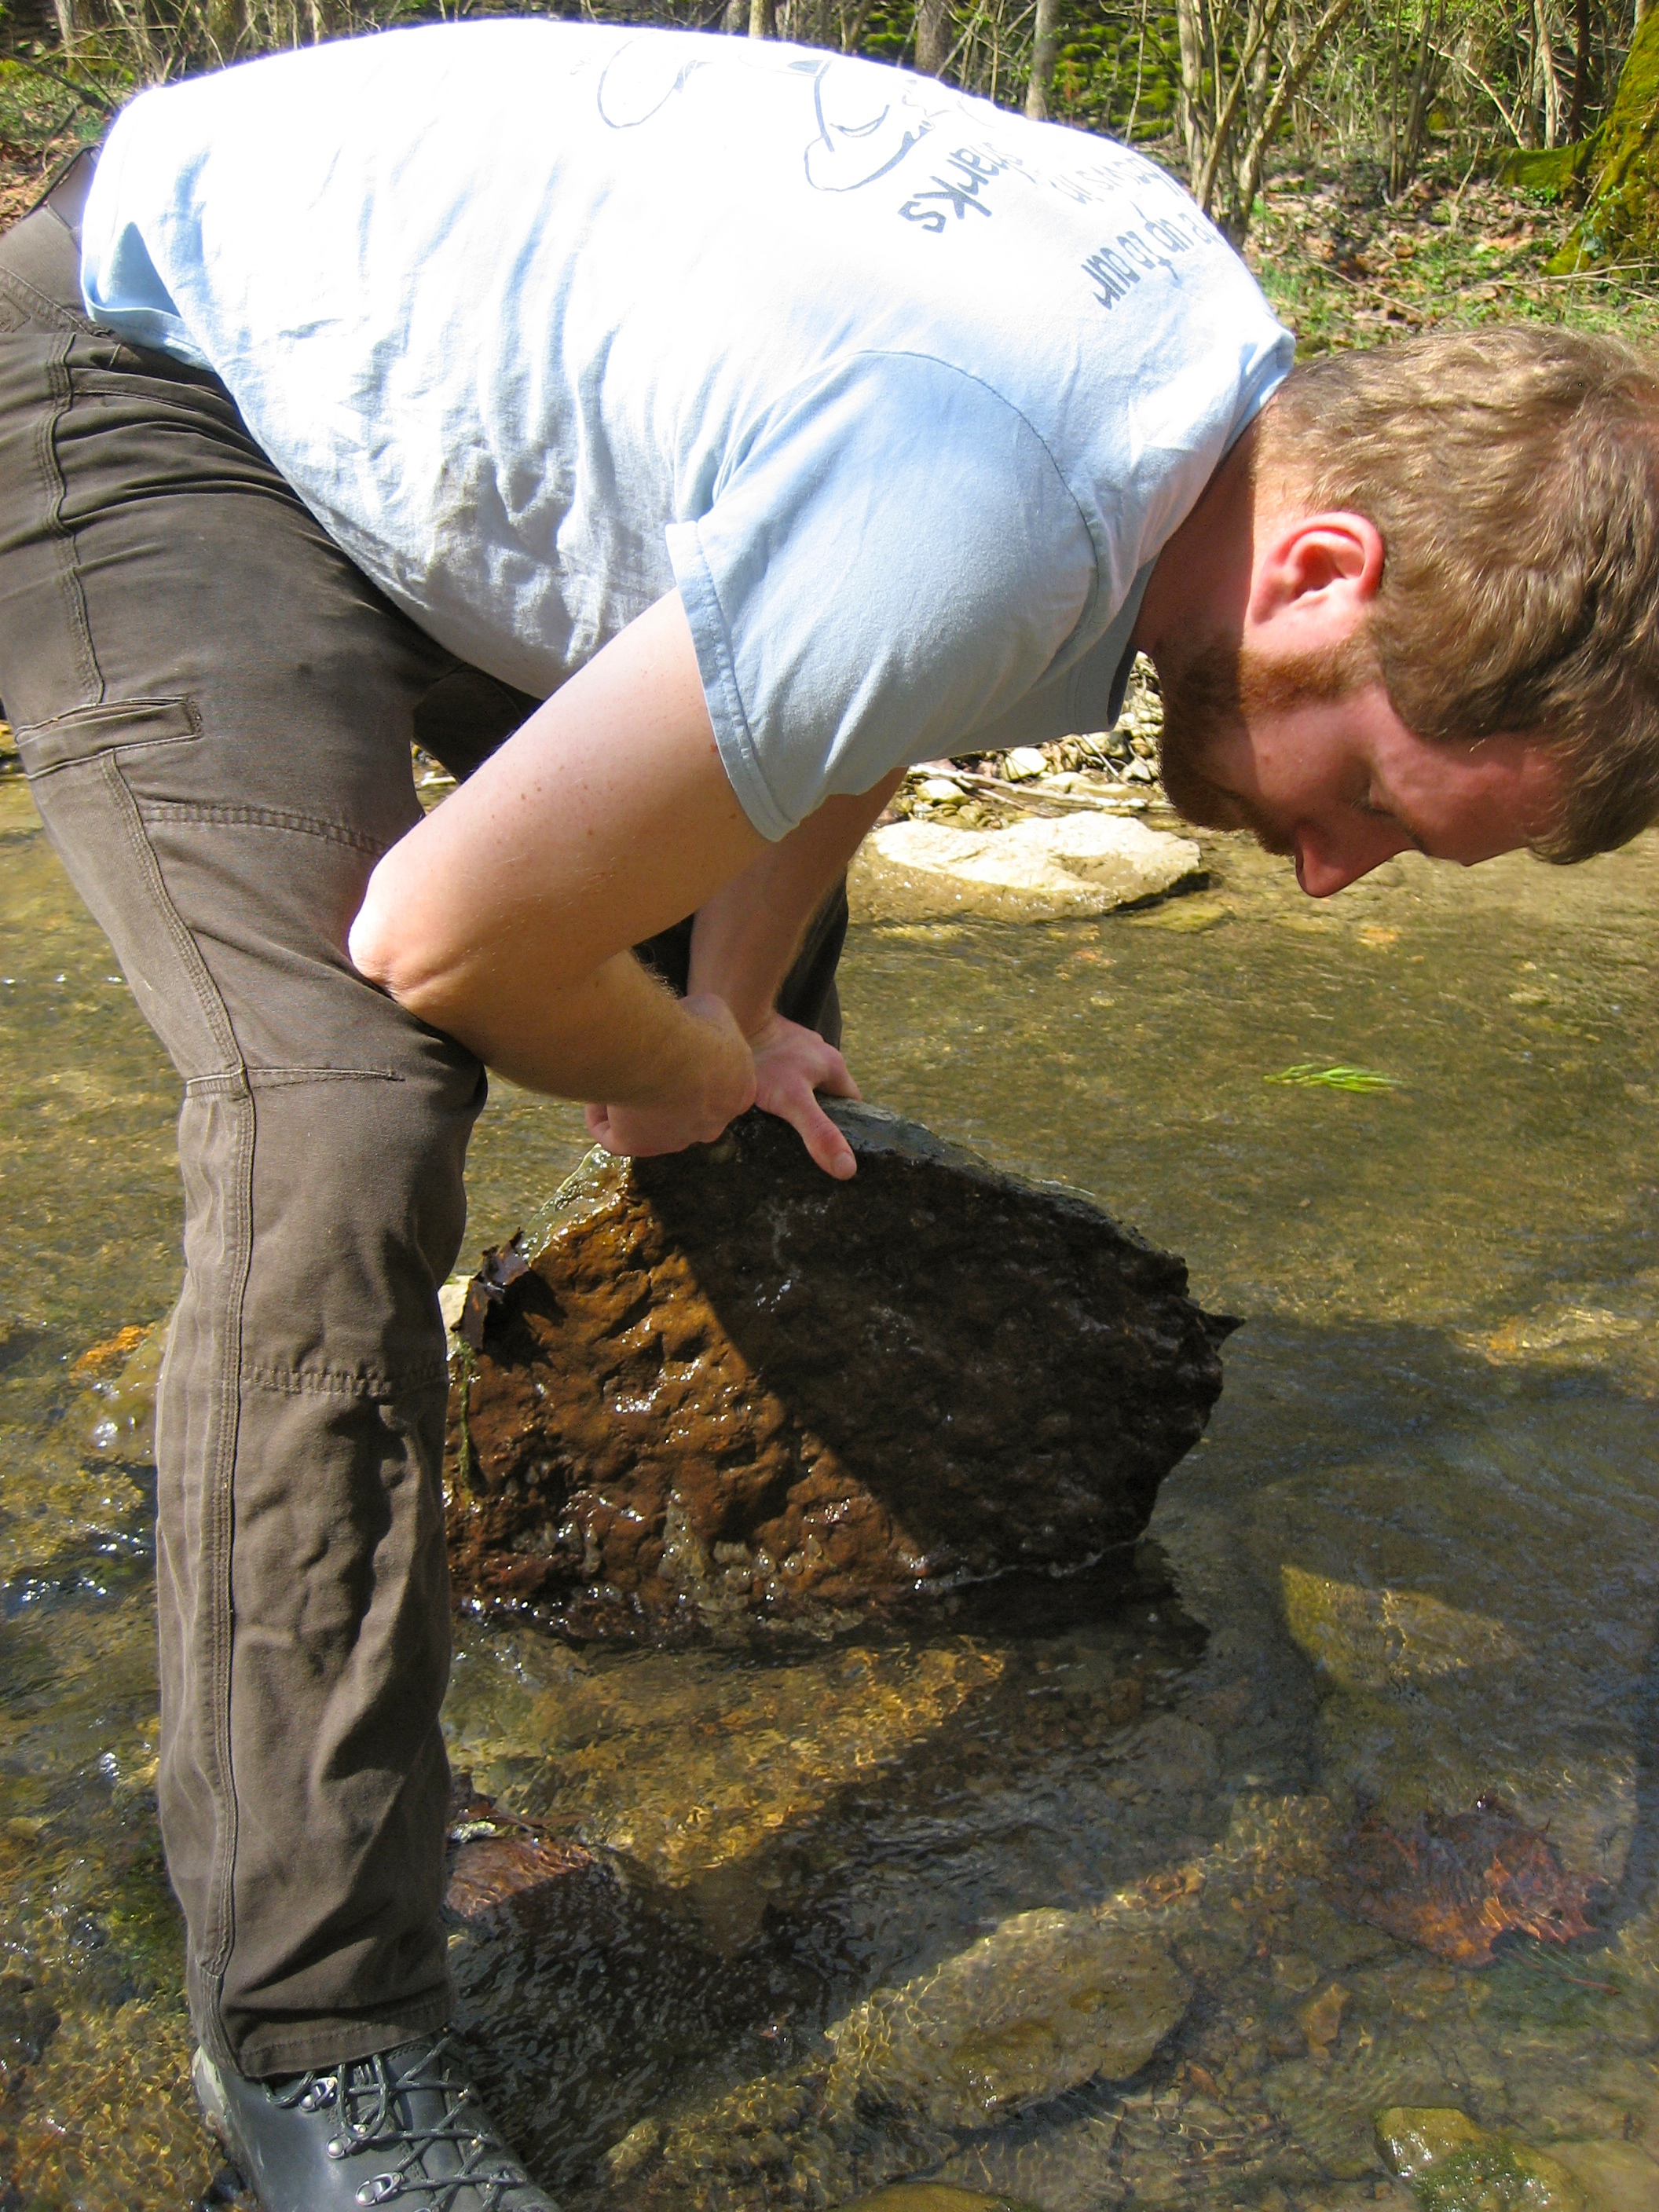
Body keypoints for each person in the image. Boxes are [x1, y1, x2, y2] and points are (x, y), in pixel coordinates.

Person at [1, 19, 1655, 2208]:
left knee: (754, 1011)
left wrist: (743, 1002)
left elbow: (865, 690)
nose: (1329, 875)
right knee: (346, 1108)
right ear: (1322, 576)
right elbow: (449, 943)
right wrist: (678, 1062)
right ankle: (318, 2029)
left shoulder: (1190, 415)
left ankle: (639, 1531)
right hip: (156, 374)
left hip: (424, 397)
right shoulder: (991, 501)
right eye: (1363, 800)